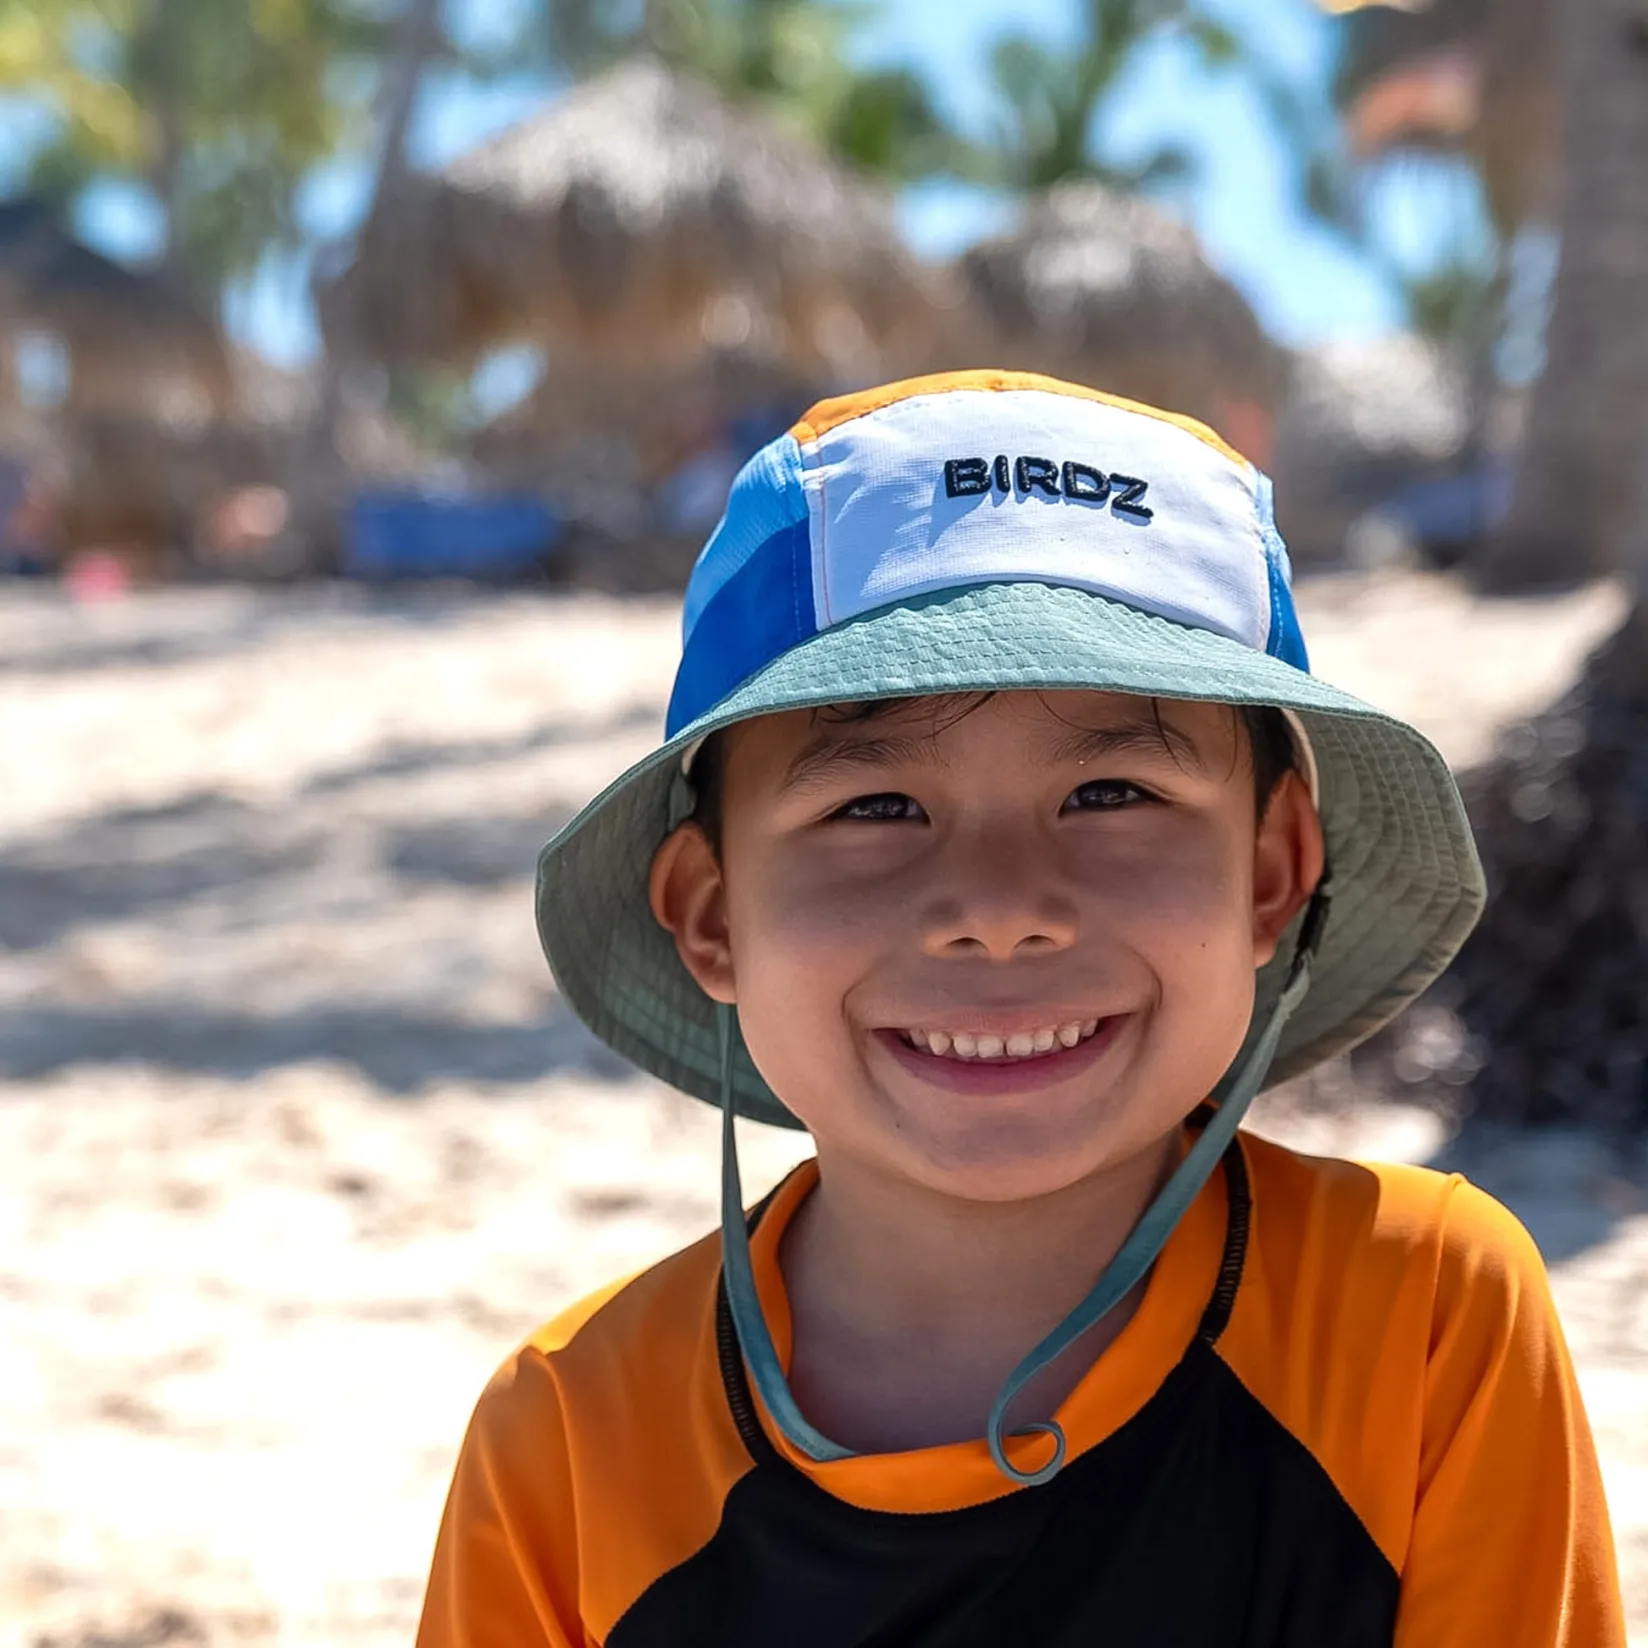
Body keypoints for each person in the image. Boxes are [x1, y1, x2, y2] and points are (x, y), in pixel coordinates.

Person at [416, 369, 1625, 1646]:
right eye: (875, 807)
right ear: (712, 916)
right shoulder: (568, 1442)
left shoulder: (1418, 1319)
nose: (998, 909)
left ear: (1271, 875)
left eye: (1111, 794)